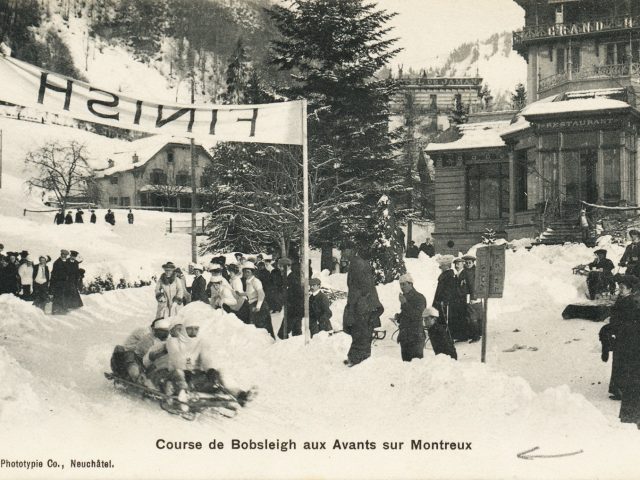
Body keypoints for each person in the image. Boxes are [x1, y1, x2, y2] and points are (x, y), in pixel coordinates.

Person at [600, 274, 640, 401]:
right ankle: (617, 389)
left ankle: (624, 391)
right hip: (621, 335)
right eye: (619, 287)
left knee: (625, 363)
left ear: (630, 289)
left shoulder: (632, 302)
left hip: (629, 337)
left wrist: (616, 324)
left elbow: (632, 320)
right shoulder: (622, 299)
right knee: (618, 362)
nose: (620, 290)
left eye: (622, 288)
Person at [342, 245, 384, 366]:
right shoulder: (360, 264)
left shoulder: (357, 264)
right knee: (362, 336)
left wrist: (352, 307)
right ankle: (359, 361)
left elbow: (357, 288)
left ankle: (357, 361)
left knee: (360, 335)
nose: (343, 254)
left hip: (361, 307)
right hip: (364, 307)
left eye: (345, 250)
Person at [110, 318, 171, 385]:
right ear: (155, 330)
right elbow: (146, 356)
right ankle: (130, 377)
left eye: (166, 331)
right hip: (133, 361)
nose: (165, 334)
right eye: (162, 331)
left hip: (144, 362)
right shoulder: (147, 336)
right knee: (131, 362)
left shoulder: (163, 340)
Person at [433, 255, 466, 342]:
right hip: (441, 301)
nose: (440, 267)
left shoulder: (449, 276)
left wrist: (444, 300)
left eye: (442, 265)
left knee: (445, 318)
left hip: (444, 302)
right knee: (442, 318)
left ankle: (447, 336)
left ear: (447, 266)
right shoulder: (446, 275)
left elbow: (449, 290)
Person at [394, 273, 427, 362]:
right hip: (405, 337)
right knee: (406, 367)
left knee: (416, 365)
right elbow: (407, 313)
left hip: (415, 337)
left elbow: (417, 315)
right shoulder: (405, 297)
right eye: (400, 284)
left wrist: (404, 303)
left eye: (404, 284)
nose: (401, 287)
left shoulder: (419, 297)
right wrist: (399, 316)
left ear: (411, 284)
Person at [242, 261, 275, 338]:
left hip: (260, 306)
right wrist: (241, 294)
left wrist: (258, 306)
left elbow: (261, 294)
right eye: (245, 272)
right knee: (257, 327)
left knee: (263, 328)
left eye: (248, 272)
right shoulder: (248, 281)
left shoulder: (255, 281)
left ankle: (269, 344)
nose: (246, 274)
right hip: (253, 305)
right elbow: (250, 293)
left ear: (252, 272)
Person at [459, 254, 482, 343]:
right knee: (474, 316)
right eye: (467, 262)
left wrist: (474, 296)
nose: (468, 264)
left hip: (474, 297)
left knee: (474, 317)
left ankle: (476, 336)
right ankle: (477, 333)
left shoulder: (476, 272)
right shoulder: (464, 272)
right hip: (470, 297)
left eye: (470, 262)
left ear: (473, 263)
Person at [278, 261, 304, 339]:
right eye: (280, 266)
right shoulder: (286, 277)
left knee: (282, 333)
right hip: (293, 309)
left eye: (283, 266)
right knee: (296, 333)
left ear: (289, 266)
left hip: (294, 309)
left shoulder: (292, 277)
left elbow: (299, 294)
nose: (281, 268)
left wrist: (292, 307)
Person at [50, 249, 69, 314]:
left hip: (64, 282)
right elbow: (54, 273)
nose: (64, 256)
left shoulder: (66, 262)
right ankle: (55, 310)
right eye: (63, 254)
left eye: (65, 255)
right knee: (57, 296)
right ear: (61, 254)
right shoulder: (57, 262)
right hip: (58, 282)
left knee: (63, 296)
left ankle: (62, 309)